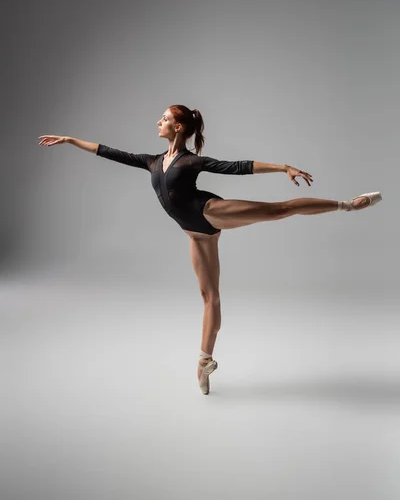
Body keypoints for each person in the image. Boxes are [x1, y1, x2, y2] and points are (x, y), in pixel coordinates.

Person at [38, 104, 382, 395]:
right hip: (195, 234)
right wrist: (70, 140)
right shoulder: (153, 161)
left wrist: (283, 167)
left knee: (279, 209)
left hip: (210, 212)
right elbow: (109, 152)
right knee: (210, 298)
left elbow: (238, 167)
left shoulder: (190, 162)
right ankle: (205, 360)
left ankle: (348, 205)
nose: (157, 123)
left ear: (179, 126)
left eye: (163, 119)